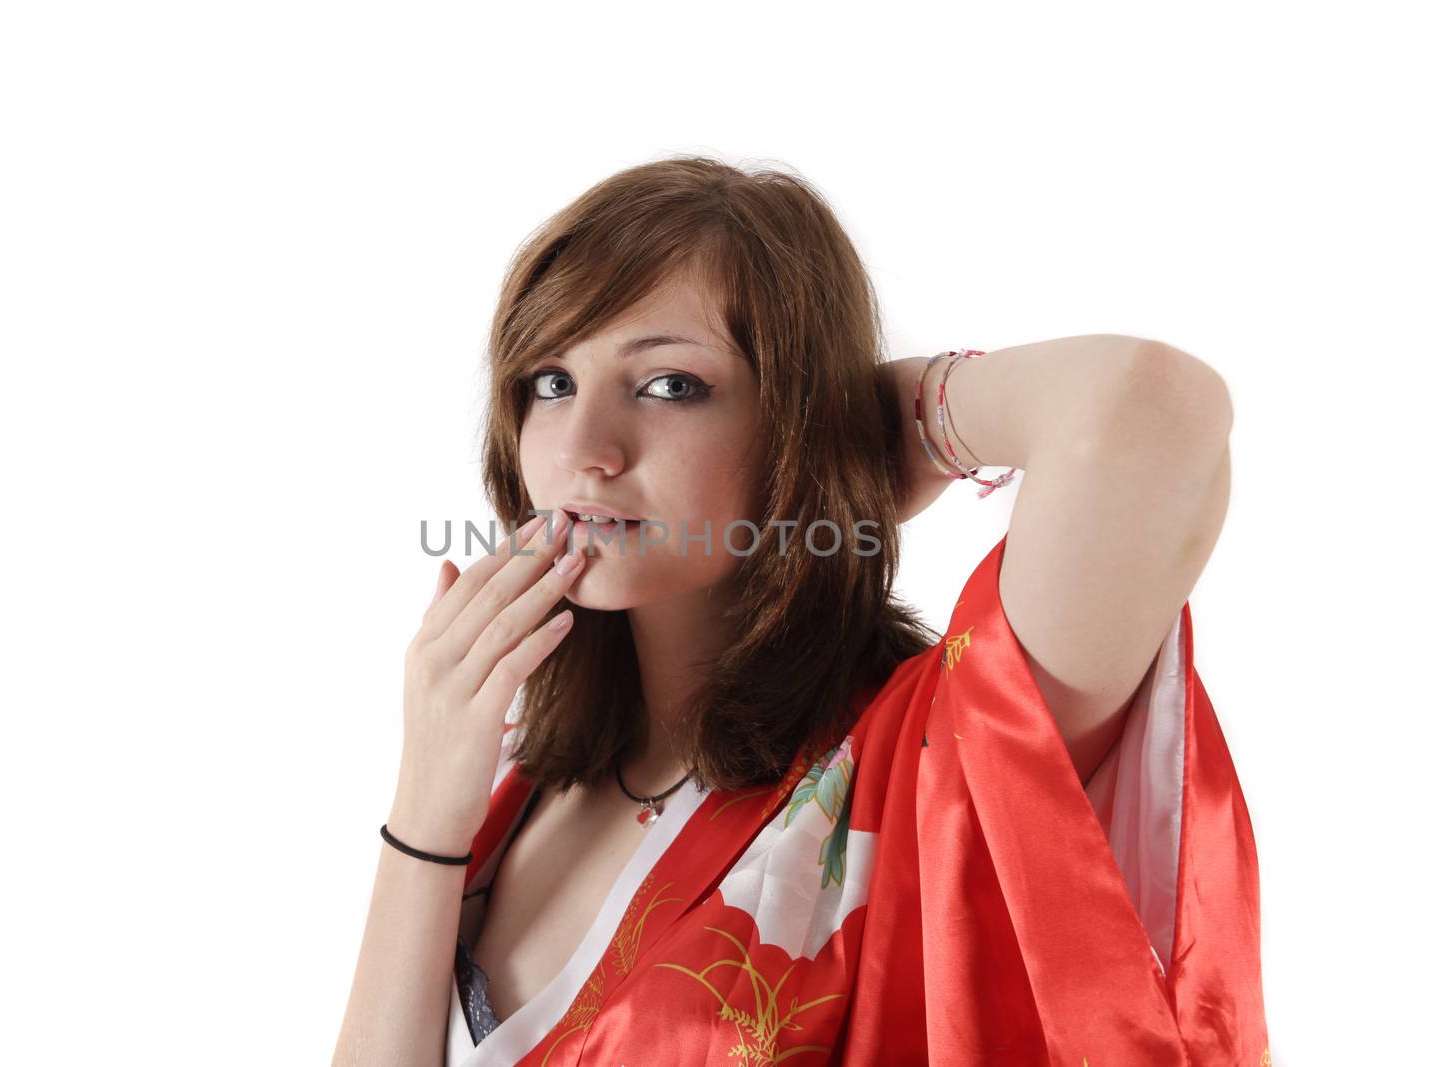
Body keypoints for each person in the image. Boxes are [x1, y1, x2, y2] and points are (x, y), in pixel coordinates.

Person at [331, 156, 1269, 1066]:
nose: (584, 449)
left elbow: (1149, 409)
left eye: (670, 386)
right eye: (551, 382)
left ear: (790, 425)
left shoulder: (920, 766)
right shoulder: (508, 764)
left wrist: (857, 437)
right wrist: (426, 810)